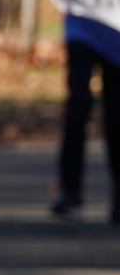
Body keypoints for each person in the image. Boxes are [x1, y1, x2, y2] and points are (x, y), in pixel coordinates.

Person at [50, 12, 120, 224]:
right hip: (81, 24)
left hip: (116, 29)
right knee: (78, 102)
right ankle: (70, 194)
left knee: (116, 114)